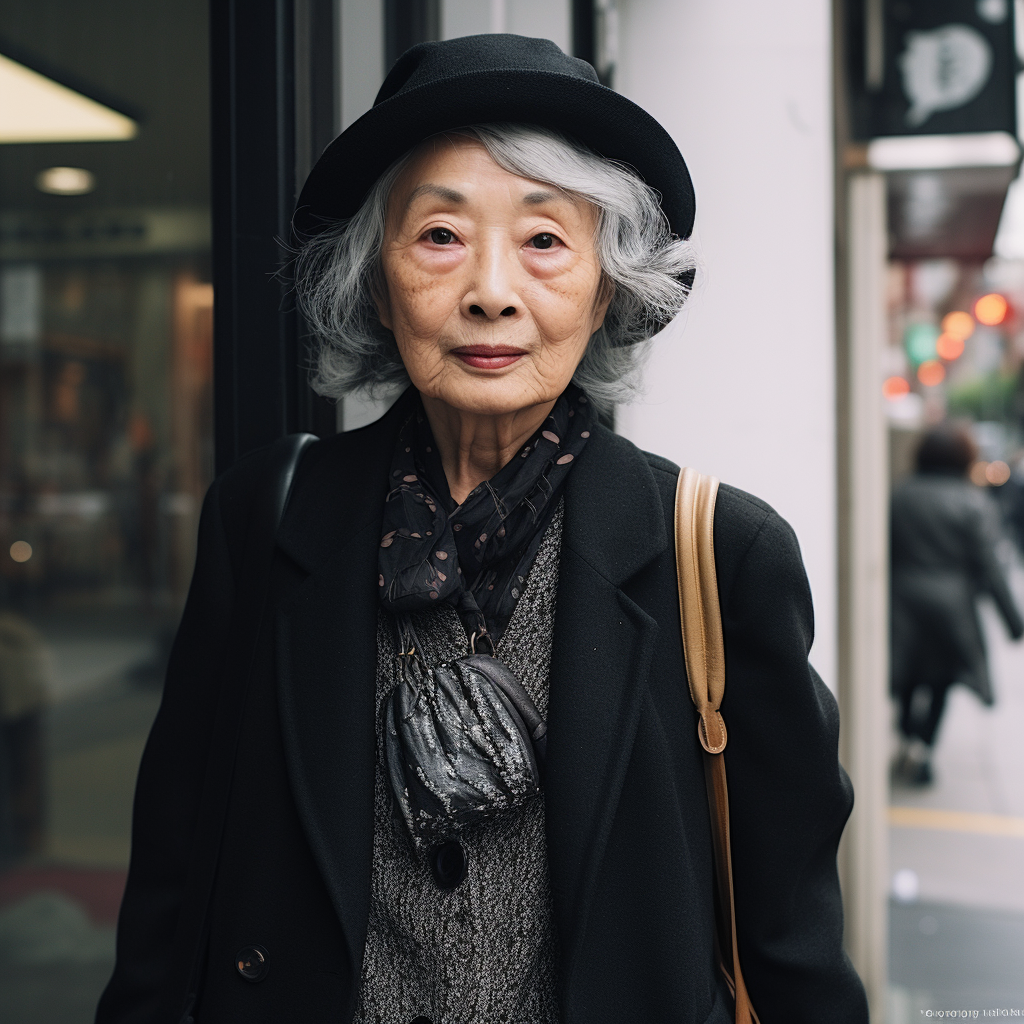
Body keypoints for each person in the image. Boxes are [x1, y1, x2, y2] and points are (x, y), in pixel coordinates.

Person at [97, 35, 867, 1024]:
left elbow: (789, 932)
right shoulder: (266, 516)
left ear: (607, 288)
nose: (491, 291)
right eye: (439, 236)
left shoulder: (718, 551)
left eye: (545, 241)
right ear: (376, 280)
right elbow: (173, 873)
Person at [891, 422, 1024, 786]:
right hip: (952, 610)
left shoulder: (899, 495)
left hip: (901, 604)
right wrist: (1014, 621)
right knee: (941, 682)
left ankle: (906, 732)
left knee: (907, 679)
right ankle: (923, 748)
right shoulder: (971, 501)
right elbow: (991, 566)